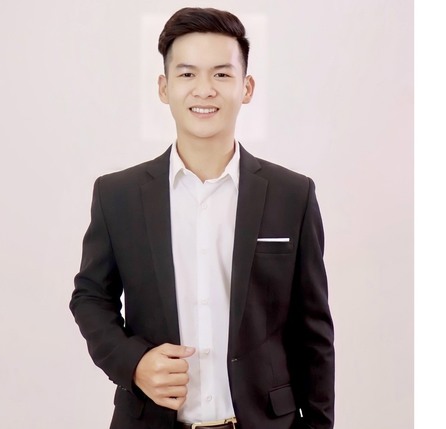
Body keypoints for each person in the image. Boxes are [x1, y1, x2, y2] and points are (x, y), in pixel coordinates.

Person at [70, 7, 334, 429]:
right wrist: (133, 362)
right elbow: (90, 296)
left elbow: (313, 330)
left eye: (222, 74)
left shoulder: (292, 195)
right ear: (164, 87)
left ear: (246, 87)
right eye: (188, 74)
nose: (204, 90)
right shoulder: (117, 195)